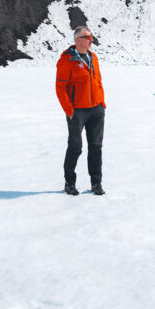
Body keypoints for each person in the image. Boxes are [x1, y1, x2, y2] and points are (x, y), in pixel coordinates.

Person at [55, 25, 106, 196]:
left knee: (96, 146)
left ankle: (96, 183)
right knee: (75, 147)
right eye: (87, 37)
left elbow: (98, 81)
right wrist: (70, 110)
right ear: (78, 40)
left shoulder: (94, 57)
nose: (90, 39)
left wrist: (102, 103)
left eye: (90, 36)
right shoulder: (67, 60)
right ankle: (70, 183)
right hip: (77, 112)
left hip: (96, 110)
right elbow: (60, 88)